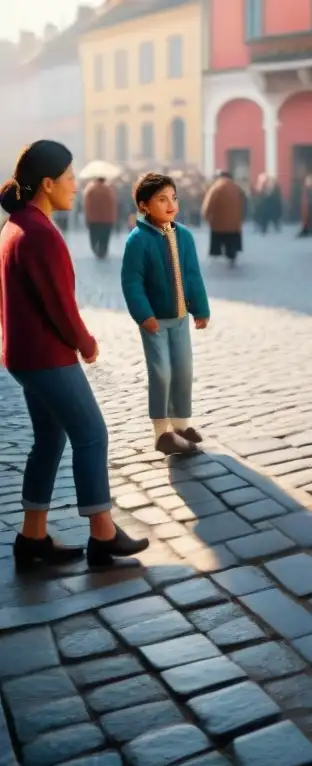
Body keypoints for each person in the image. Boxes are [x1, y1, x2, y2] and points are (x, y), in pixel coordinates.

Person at [0, 140, 149, 570]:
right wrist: (86, 342)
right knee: (91, 434)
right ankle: (103, 536)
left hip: (24, 355)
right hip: (48, 356)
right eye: (68, 178)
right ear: (47, 184)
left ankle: (32, 537)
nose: (74, 186)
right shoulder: (41, 233)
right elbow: (60, 306)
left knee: (49, 440)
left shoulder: (17, 223)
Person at [122, 172, 211, 454]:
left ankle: (181, 423)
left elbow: (193, 276)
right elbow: (132, 282)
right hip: (155, 321)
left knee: (183, 369)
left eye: (173, 198)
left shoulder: (184, 236)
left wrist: (201, 308)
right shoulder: (137, 240)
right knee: (161, 373)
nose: (170, 204)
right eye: (161, 199)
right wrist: (143, 315)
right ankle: (162, 432)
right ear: (144, 206)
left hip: (181, 318)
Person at [201, 170, 246, 263]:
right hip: (234, 224)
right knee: (231, 240)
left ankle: (216, 252)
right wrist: (241, 218)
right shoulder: (237, 188)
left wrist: (206, 216)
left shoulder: (216, 188)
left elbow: (208, 204)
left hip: (219, 223)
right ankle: (231, 255)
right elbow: (244, 204)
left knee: (218, 238)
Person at [82, 176, 117, 258]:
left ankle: (95, 249)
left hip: (93, 219)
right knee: (105, 238)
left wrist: (87, 218)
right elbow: (113, 205)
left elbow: (86, 205)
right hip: (107, 219)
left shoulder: (90, 189)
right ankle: (102, 252)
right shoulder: (109, 190)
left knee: (94, 236)